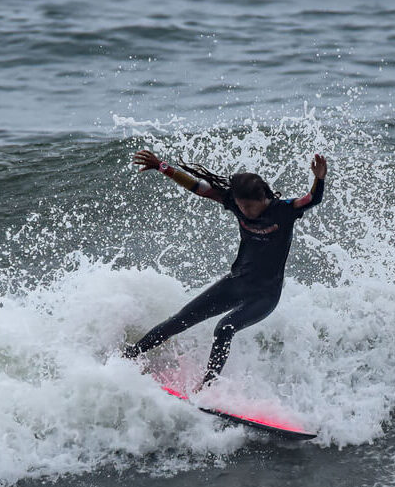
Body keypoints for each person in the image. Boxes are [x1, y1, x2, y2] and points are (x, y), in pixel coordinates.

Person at [122, 148, 328, 390]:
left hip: (265, 295)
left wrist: (319, 178)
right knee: (178, 320)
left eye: (250, 207)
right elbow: (198, 187)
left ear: (264, 198)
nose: (245, 212)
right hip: (236, 283)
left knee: (225, 328)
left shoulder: (284, 210)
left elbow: (312, 199)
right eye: (241, 207)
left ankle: (207, 388)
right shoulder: (233, 201)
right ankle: (129, 356)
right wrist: (161, 166)